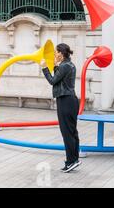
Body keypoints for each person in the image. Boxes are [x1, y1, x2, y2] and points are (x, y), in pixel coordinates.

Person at [40, 43, 81, 173]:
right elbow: (59, 80)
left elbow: (52, 81)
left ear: (61, 53)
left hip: (65, 100)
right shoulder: (69, 65)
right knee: (72, 131)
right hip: (70, 100)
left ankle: (71, 161)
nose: (54, 55)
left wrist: (45, 68)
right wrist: (55, 66)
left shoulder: (64, 66)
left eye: (55, 52)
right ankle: (74, 159)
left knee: (67, 132)